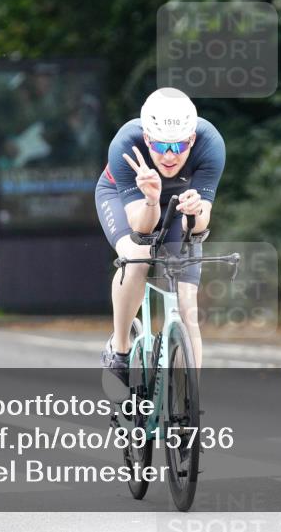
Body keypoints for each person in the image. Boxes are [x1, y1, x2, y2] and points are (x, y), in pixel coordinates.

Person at [95, 88, 225, 385]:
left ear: (192, 139)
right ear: (147, 138)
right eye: (160, 146)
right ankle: (121, 350)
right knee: (138, 258)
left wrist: (194, 212)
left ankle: (188, 397)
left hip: (181, 203)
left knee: (187, 297)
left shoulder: (211, 144)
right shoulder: (126, 144)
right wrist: (152, 199)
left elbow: (199, 227)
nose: (168, 156)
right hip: (129, 201)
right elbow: (141, 230)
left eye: (179, 147)